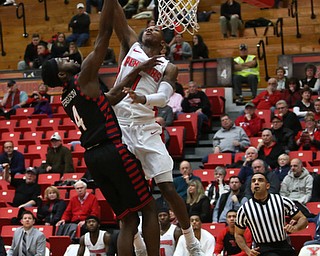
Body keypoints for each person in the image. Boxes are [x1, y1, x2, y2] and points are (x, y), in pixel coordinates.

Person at [41, 0, 161, 253]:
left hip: (94, 159)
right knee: (149, 208)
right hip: (113, 151)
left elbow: (112, 97)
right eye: (63, 60)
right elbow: (104, 34)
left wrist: (137, 69)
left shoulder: (67, 96)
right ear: (62, 75)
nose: (68, 58)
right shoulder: (83, 77)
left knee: (128, 219)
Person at [112, 1, 205, 253]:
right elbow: (117, 17)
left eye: (155, 28)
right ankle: (139, 244)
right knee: (129, 198)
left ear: (164, 44)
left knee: (167, 188)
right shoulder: (131, 48)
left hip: (145, 129)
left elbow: (164, 99)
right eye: (148, 27)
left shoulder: (168, 66)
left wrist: (143, 99)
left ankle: (190, 240)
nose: (150, 28)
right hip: (120, 129)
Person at [235, 172, 308, 256]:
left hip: (284, 245)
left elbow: (303, 218)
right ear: (251, 187)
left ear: (267, 186)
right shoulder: (244, 209)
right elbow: (238, 234)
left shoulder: (282, 201)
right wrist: (247, 250)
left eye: (260, 180)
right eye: (253, 181)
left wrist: (296, 227)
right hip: (262, 248)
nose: (256, 182)